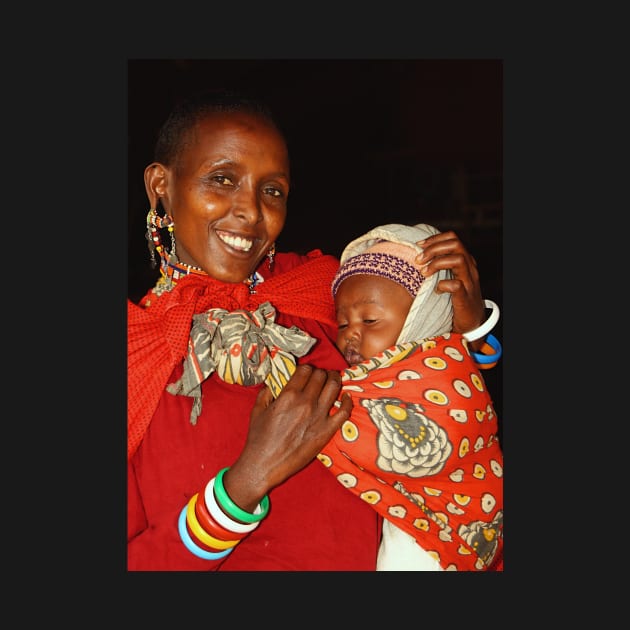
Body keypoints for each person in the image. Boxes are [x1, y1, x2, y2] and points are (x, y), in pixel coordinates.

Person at [127, 88, 499, 570]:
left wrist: (469, 323)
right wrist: (243, 484)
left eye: (272, 190)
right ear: (161, 185)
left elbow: (442, 393)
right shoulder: (133, 350)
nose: (251, 211)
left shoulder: (328, 292)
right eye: (222, 179)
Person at [317, 222, 503, 571]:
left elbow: (347, 432)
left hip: (441, 540)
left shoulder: (441, 374)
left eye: (370, 320)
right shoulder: (379, 376)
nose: (350, 335)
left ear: (421, 318)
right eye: (342, 324)